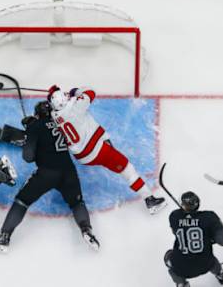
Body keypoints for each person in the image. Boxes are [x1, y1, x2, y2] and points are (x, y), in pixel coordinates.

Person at [0, 101, 99, 252]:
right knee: (77, 203)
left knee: (22, 200)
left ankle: (4, 237)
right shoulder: (61, 123)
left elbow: (28, 157)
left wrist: (30, 134)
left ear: (37, 114)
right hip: (69, 171)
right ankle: (86, 230)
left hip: (47, 173)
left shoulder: (35, 126)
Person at [47, 85, 166, 214]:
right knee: (127, 168)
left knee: (109, 154)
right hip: (97, 150)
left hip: (82, 156)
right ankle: (150, 200)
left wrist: (57, 95)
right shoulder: (76, 107)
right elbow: (90, 92)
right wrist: (75, 92)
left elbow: (55, 105)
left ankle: (107, 147)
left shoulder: (54, 115)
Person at [164, 191, 223, 287]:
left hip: (182, 268)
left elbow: (175, 232)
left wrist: (186, 219)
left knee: (168, 258)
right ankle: (220, 274)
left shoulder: (174, 216)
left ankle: (181, 283)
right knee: (212, 261)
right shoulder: (209, 217)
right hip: (206, 264)